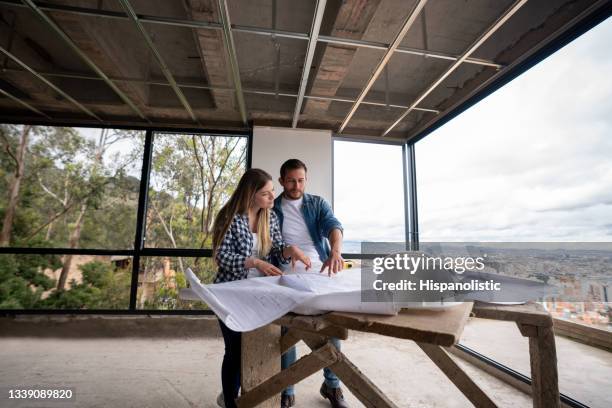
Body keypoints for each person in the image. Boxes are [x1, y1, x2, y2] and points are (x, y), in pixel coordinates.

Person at [211, 168, 310, 408]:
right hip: (231, 292)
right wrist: (254, 262)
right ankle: (230, 401)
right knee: (234, 351)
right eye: (266, 194)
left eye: (272, 192)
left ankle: (243, 397)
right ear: (250, 194)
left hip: (259, 292)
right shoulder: (228, 217)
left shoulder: (270, 217)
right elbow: (221, 256)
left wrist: (291, 250)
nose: (272, 197)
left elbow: (277, 250)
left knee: (263, 347)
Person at [273, 159, 348, 408]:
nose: (297, 185)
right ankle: (287, 388)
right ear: (282, 180)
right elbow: (269, 248)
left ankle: (332, 385)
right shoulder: (271, 208)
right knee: (289, 326)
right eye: (292, 180)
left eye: (301, 180)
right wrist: (288, 250)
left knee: (331, 321)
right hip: (287, 270)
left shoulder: (317, 203)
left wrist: (335, 251)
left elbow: (333, 226)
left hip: (320, 266)